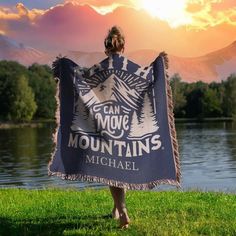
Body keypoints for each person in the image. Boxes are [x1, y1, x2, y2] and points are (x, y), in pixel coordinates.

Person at [104, 26, 130, 229]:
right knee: (120, 168)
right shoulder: (131, 66)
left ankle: (122, 211)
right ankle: (116, 208)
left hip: (106, 124)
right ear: (123, 46)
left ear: (106, 48)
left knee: (112, 170)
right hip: (128, 125)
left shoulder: (101, 68)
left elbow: (85, 86)